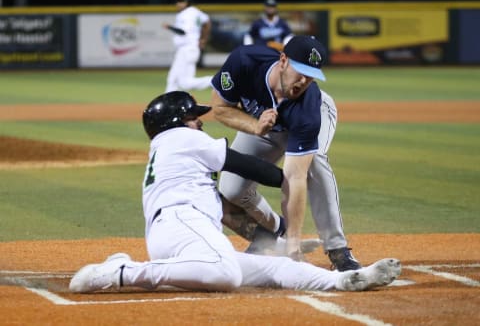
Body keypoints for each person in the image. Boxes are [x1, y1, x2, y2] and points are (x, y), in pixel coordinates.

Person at [69, 91, 401, 294]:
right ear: (175, 121)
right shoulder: (182, 138)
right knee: (225, 274)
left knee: (276, 268)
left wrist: (275, 237)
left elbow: (226, 208)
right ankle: (121, 272)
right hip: (182, 224)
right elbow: (244, 165)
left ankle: (347, 281)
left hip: (184, 230)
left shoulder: (171, 148)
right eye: (192, 117)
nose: (199, 122)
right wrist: (293, 178)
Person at [210, 35, 362, 270]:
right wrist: (255, 127)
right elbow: (220, 109)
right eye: (299, 71)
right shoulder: (245, 61)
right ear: (283, 60)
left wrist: (294, 243)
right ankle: (275, 230)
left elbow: (295, 178)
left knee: (315, 164)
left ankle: (337, 248)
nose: (303, 81)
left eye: (311, 76)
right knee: (231, 189)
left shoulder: (308, 105)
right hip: (263, 124)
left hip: (310, 118)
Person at [163, 0, 212, 93]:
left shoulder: (189, 14)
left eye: (181, 1)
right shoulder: (195, 12)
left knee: (185, 83)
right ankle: (169, 104)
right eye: (177, 1)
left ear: (188, 2)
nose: (178, 3)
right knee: (172, 80)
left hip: (188, 49)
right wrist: (203, 39)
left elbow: (183, 32)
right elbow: (207, 22)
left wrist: (169, 27)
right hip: (186, 49)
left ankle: (214, 81)